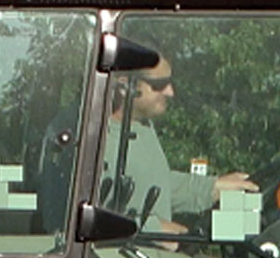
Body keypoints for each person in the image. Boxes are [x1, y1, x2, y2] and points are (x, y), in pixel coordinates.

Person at [101, 57, 255, 236]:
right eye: (159, 85)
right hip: (124, 255)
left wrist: (213, 188)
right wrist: (155, 229)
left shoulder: (141, 125)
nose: (170, 92)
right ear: (124, 86)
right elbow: (79, 217)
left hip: (148, 253)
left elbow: (155, 183)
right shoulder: (95, 140)